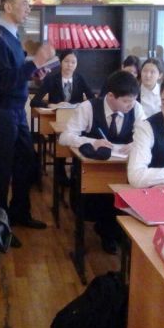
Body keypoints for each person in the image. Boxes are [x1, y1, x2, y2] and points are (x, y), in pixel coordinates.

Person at [0, 0, 53, 247]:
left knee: (26, 162)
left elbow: (15, 75)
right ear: (8, 6)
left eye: (29, 4)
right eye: (24, 3)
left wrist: (34, 70)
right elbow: (2, 82)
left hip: (16, 111)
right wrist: (35, 62)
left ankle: (19, 213)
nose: (28, 8)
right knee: (0, 171)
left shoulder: (12, 36)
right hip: (1, 111)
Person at [60, 71, 146, 253]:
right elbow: (65, 137)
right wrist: (92, 142)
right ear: (111, 96)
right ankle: (107, 232)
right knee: (102, 199)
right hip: (95, 170)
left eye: (133, 100)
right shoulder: (88, 107)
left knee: (124, 197)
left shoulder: (136, 108)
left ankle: (115, 232)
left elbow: (146, 135)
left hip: (124, 168)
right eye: (126, 101)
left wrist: (135, 143)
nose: (130, 105)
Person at [30, 50, 94, 108]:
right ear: (61, 62)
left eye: (73, 62)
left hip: (76, 115)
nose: (69, 65)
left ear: (76, 64)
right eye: (66, 61)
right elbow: (34, 102)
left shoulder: (80, 79)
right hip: (55, 115)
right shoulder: (51, 79)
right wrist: (50, 105)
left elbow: (93, 99)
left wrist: (82, 105)